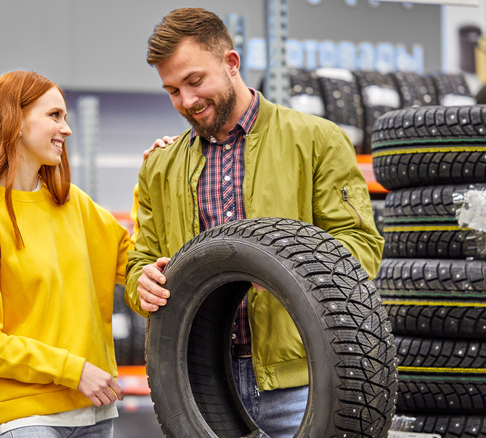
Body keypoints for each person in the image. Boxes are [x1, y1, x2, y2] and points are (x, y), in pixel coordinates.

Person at [125, 8, 384, 437]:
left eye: (194, 81)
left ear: (231, 63)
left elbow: (360, 246)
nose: (186, 101)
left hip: (301, 381)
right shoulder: (160, 167)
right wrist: (143, 283)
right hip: (197, 383)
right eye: (172, 90)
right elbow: (142, 261)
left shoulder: (316, 140)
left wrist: (294, 270)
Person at [0, 70, 133, 438]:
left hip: (94, 412)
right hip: (29, 419)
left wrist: (155, 180)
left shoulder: (74, 205)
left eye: (66, 117)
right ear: (15, 122)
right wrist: (73, 370)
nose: (67, 129)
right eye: (54, 116)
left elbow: (137, 266)